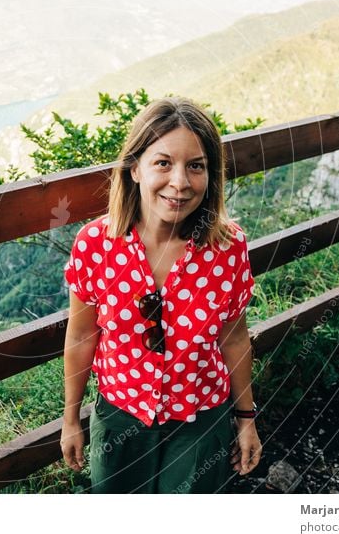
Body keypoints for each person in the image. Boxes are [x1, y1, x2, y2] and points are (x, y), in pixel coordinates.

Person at [59, 97, 261, 494]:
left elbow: (234, 337)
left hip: (201, 418)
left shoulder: (228, 247)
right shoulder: (95, 244)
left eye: (196, 166)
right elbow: (82, 336)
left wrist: (246, 418)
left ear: (211, 175)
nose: (181, 182)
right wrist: (70, 419)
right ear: (135, 168)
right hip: (120, 415)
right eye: (163, 163)